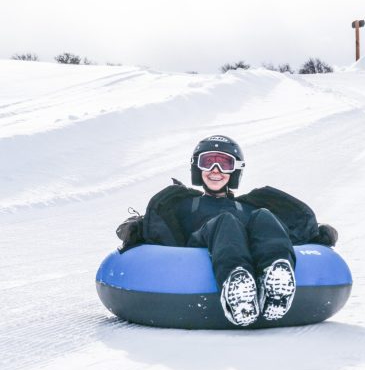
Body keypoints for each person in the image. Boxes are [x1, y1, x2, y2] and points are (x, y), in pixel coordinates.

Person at [115, 135, 338, 327]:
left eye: (224, 164)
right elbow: (158, 226)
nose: (215, 171)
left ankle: (275, 278)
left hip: (246, 246)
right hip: (200, 246)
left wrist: (317, 235)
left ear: (235, 170)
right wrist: (135, 229)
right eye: (208, 162)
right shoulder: (185, 204)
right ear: (197, 167)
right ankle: (237, 285)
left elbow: (280, 234)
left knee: (264, 215)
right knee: (225, 221)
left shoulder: (247, 206)